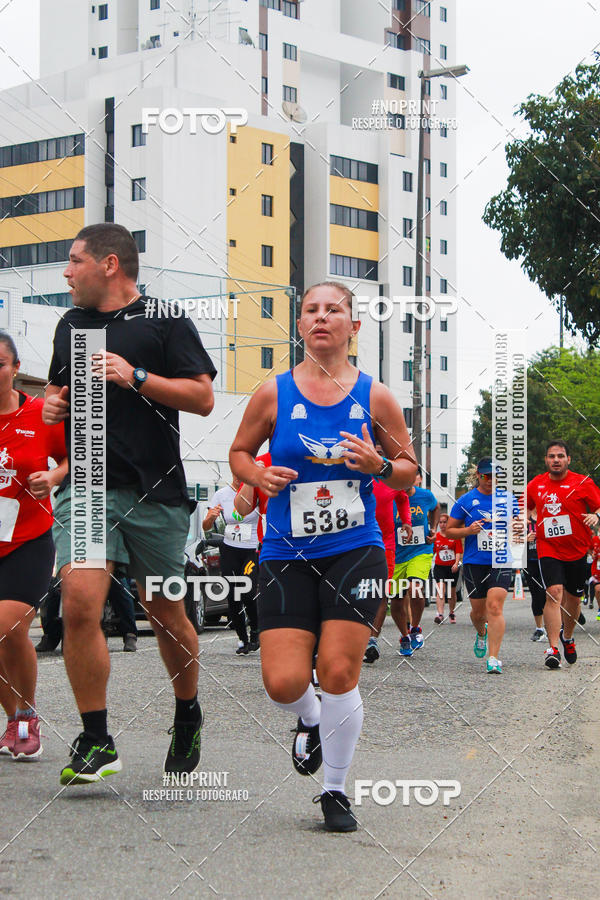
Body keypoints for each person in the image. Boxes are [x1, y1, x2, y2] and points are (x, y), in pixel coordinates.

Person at [229, 281, 416, 832]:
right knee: (283, 683)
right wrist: (257, 474)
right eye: (310, 310)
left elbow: (408, 471)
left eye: (333, 310)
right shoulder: (274, 393)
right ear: (300, 325)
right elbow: (239, 452)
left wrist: (380, 466)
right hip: (285, 551)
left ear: (353, 326)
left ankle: (335, 789)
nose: (320, 318)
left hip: (355, 549)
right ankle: (310, 719)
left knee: (337, 670)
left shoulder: (376, 396)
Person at [42, 223, 216, 784]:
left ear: (109, 264)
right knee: (79, 604)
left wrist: (135, 376)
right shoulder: (71, 325)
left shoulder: (165, 319)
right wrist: (52, 405)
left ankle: (187, 712)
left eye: (75, 261)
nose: (67, 272)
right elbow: (57, 392)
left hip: (155, 491)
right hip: (88, 486)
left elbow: (203, 397)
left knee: (165, 613)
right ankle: (96, 739)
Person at [0, 332, 68, 759]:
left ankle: (27, 716)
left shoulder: (40, 413)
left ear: (15, 368)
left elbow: (73, 458)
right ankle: (15, 721)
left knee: (9, 628)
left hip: (28, 539)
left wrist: (53, 477)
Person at [526, 440, 600, 669]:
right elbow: (524, 507)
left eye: (560, 456)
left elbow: (598, 506)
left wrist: (596, 516)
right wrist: (526, 521)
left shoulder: (583, 482)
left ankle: (567, 637)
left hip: (577, 549)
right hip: (548, 547)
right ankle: (553, 648)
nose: (556, 460)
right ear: (546, 460)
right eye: (551, 456)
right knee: (554, 592)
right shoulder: (536, 484)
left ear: (568, 459)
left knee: (574, 600)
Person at [446, 457, 521, 674]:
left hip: (501, 559)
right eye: (486, 476)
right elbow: (449, 530)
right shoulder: (466, 500)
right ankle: (481, 633)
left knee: (495, 607)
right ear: (478, 475)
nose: (490, 480)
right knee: (478, 613)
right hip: (475, 561)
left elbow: (517, 525)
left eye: (495, 476)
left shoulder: (508, 499)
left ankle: (494, 657)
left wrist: (518, 527)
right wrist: (468, 531)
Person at [363, 445, 411, 663]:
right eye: (374, 449)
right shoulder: (357, 474)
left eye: (381, 451)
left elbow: (403, 498)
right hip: (357, 542)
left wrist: (406, 521)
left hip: (386, 544)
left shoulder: (390, 476)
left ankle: (372, 640)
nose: (377, 454)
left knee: (382, 592)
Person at [203, 476, 260, 654]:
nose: (238, 477)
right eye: (236, 473)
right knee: (233, 595)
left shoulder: (256, 491)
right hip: (230, 549)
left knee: (248, 591)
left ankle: (255, 631)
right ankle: (242, 639)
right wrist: (211, 518)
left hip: (251, 549)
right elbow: (206, 526)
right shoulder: (222, 494)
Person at [390, 470, 439, 656]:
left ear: (418, 478)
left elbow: (436, 508)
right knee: (396, 600)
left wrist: (433, 529)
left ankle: (415, 628)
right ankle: (404, 636)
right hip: (396, 554)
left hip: (420, 550)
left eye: (411, 476)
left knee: (415, 587)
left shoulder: (425, 496)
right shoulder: (390, 496)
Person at [432, 514, 462, 624]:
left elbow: (458, 551)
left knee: (451, 592)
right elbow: (432, 552)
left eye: (445, 522)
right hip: (439, 567)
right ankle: (440, 614)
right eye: (440, 522)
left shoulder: (454, 536)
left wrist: (456, 564)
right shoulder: (436, 537)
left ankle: (451, 612)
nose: (442, 524)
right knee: (440, 590)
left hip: (452, 567)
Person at [522, 515, 547, 642]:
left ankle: (554, 625)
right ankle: (539, 628)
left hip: (547, 561)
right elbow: (511, 540)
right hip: (530, 561)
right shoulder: (523, 520)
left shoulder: (547, 516)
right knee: (536, 595)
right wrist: (525, 539)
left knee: (548, 594)